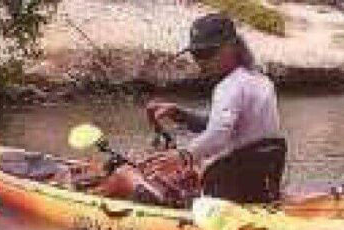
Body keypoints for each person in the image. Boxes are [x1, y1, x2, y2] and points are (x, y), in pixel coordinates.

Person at [94, 13, 287, 207]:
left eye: (207, 53)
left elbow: (219, 133)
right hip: (257, 185)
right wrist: (181, 115)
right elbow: (227, 126)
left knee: (125, 175)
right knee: (192, 167)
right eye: (196, 54)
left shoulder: (228, 87)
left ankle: (98, 197)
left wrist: (184, 155)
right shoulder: (260, 80)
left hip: (227, 191)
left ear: (233, 47)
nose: (201, 62)